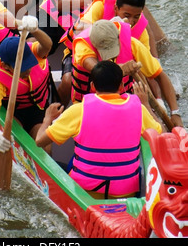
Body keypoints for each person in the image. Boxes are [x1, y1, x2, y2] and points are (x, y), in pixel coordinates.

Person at [36, 61, 164, 199]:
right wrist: (145, 104)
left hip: (85, 191)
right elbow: (161, 134)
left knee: (61, 164)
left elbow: (39, 141)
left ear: (92, 86)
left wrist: (47, 119)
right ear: (121, 86)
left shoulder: (78, 110)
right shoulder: (140, 109)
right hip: (125, 192)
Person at [41, 0, 131, 103]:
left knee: (70, 79)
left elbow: (136, 20)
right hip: (56, 15)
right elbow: (59, 4)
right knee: (36, 48)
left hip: (81, 30)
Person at [71, 19, 183, 127]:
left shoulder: (133, 44)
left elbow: (160, 76)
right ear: (94, 44)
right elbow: (96, 68)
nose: (112, 55)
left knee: (153, 123)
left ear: (118, 38)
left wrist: (175, 112)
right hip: (89, 100)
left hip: (122, 97)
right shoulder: (83, 45)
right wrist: (121, 69)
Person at [0, 16, 53, 152]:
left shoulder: (32, 50)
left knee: (45, 148)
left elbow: (47, 45)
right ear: (6, 66)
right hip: (14, 110)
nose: (27, 70)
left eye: (29, 64)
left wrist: (35, 30)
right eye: (21, 67)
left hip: (37, 108)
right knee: (15, 142)